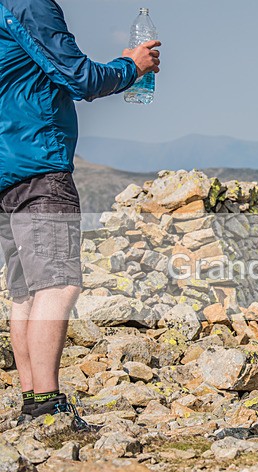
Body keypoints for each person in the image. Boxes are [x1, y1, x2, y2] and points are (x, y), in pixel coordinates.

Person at [0, 0, 161, 427]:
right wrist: (133, 67)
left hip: (7, 171)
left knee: (26, 293)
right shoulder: (30, 4)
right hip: (40, 164)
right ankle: (47, 406)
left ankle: (32, 403)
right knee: (58, 285)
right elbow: (80, 77)